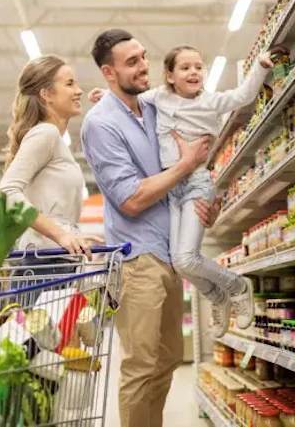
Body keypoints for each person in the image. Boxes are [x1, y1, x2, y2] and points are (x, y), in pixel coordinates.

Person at [81, 29, 221, 427]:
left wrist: (206, 199)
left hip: (170, 251)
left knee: (169, 358)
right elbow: (131, 198)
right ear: (109, 73)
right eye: (132, 62)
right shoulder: (100, 124)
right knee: (141, 364)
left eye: (143, 57)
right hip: (136, 257)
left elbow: (190, 153)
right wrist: (185, 166)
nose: (144, 67)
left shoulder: (154, 107)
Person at [87, 45, 272, 337]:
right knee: (179, 263)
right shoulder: (157, 97)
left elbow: (242, 96)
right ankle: (217, 296)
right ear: (170, 76)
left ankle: (236, 286)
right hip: (170, 188)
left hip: (197, 182)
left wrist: (261, 66)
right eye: (185, 68)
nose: (194, 72)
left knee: (187, 258)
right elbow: (125, 99)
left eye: (199, 67)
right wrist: (103, 97)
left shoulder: (210, 102)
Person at [0, 54, 104, 261]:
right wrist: (61, 234)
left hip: (52, 257)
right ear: (46, 94)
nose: (79, 91)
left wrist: (71, 232)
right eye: (70, 84)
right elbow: (6, 193)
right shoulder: (46, 133)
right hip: (45, 260)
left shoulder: (55, 140)